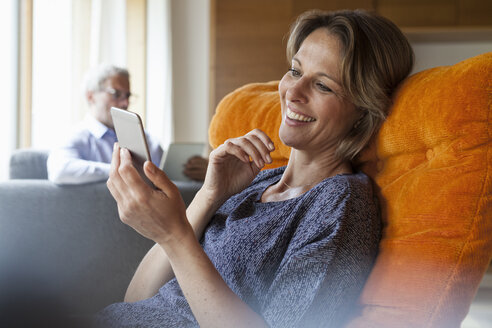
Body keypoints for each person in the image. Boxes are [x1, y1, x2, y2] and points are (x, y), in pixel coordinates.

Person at [97, 9, 414, 328]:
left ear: (363, 110)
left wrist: (174, 234)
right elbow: (136, 300)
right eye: (295, 71)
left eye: (323, 86)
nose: (293, 92)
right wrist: (209, 195)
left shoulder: (341, 205)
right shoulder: (258, 181)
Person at [46, 64, 163, 185]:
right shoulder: (74, 136)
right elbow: (59, 170)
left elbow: (164, 173)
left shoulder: (146, 139)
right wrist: (120, 170)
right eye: (116, 94)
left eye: (127, 96)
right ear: (91, 96)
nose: (125, 103)